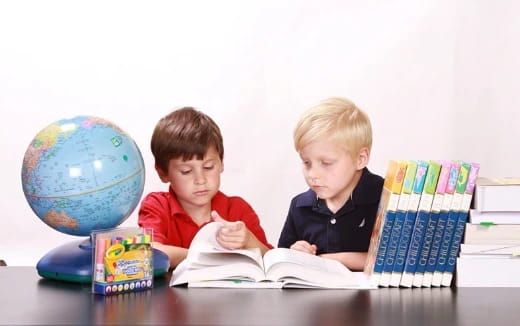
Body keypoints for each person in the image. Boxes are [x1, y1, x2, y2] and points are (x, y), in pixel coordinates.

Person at [138, 107, 272, 268]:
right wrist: (209, 256)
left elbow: (271, 260)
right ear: (163, 173)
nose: (200, 180)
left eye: (208, 167)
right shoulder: (157, 206)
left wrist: (249, 240)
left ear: (221, 163)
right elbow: (151, 253)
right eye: (186, 171)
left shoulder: (238, 209)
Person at [277, 97, 383, 271]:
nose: (313, 174)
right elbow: (281, 261)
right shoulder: (299, 206)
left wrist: (327, 260)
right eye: (306, 162)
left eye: (326, 163)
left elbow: (393, 261)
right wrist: (296, 253)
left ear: (360, 159)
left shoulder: (386, 198)